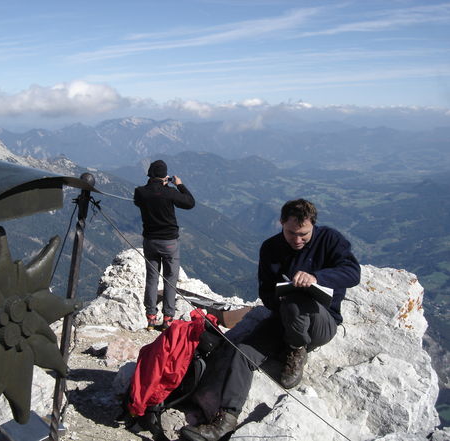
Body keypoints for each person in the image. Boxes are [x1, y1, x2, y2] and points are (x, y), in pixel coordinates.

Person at [180, 199, 361, 441]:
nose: (297, 240)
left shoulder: (330, 240)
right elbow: (266, 294)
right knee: (242, 351)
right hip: (283, 317)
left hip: (322, 320)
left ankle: (296, 350)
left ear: (313, 226)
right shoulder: (271, 248)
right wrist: (281, 299)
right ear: (281, 223)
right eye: (291, 233)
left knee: (296, 301)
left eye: (304, 234)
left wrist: (317, 278)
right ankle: (224, 420)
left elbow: (352, 272)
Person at [134, 160, 195, 331]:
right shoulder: (170, 193)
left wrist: (156, 183)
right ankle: (168, 319)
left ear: (150, 175)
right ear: (165, 176)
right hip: (169, 242)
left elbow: (139, 200)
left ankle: (151, 318)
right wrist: (179, 185)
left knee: (152, 279)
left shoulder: (140, 192)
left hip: (150, 242)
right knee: (170, 280)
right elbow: (190, 203)